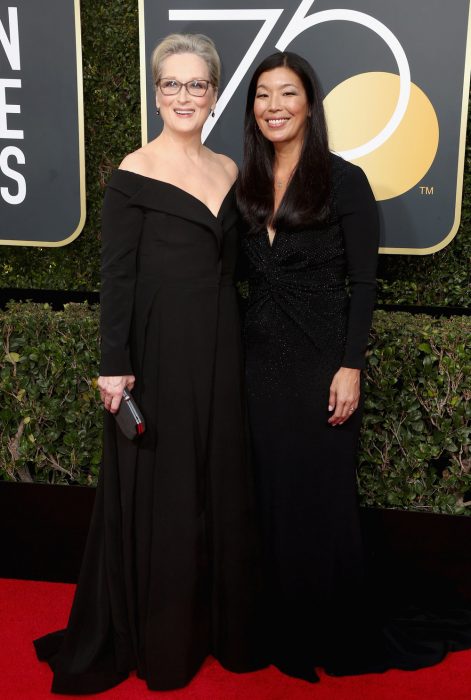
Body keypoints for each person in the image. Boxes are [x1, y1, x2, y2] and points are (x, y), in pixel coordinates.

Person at [34, 33, 263, 694]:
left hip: (221, 347)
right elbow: (118, 278)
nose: (185, 95)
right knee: (165, 492)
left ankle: (218, 626)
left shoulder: (227, 170)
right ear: (156, 93)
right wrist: (114, 366)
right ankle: (163, 640)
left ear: (214, 95)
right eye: (173, 84)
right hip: (159, 353)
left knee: (216, 481)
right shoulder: (133, 173)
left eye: (197, 85)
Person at [236, 51, 471, 683]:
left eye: (287, 94)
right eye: (262, 95)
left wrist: (351, 367)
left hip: (318, 363)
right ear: (251, 108)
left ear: (310, 103)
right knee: (267, 495)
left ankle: (324, 622)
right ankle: (278, 619)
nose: (274, 107)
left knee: (317, 497)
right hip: (255, 363)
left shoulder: (344, 181)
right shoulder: (245, 184)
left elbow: (363, 282)